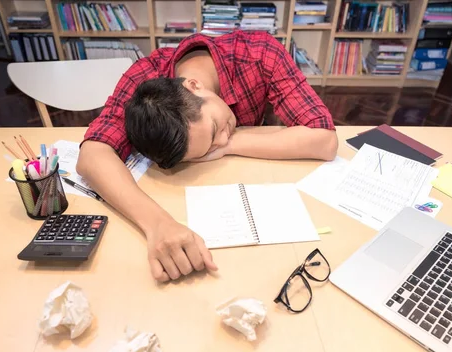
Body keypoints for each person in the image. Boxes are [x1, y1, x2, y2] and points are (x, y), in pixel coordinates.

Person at [77, 31, 337, 283]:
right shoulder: (144, 83)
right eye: (210, 146)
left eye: (214, 129)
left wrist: (230, 145)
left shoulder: (259, 53)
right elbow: (92, 155)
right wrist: (158, 224)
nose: (221, 139)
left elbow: (325, 140)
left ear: (194, 86)